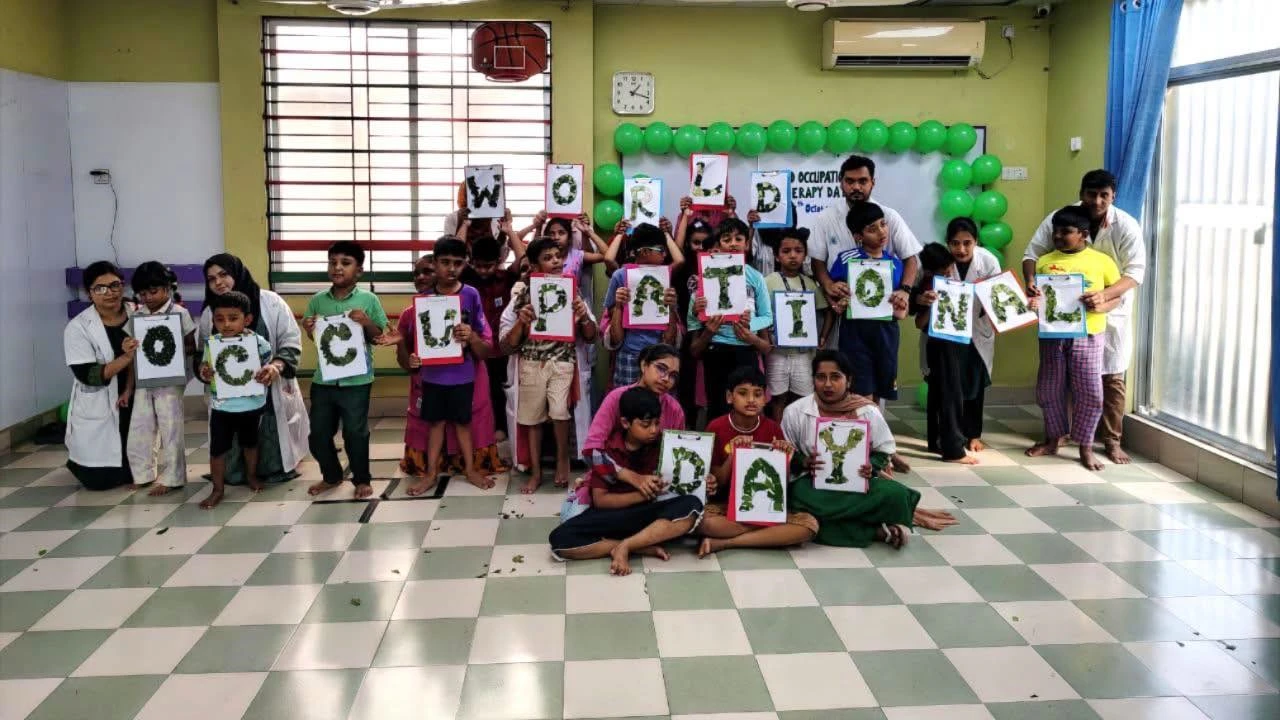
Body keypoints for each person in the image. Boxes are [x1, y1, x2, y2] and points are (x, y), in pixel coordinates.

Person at [1022, 169, 1145, 464]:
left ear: (1113, 196)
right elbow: (1032, 255)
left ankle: (1110, 441)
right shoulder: (1061, 218)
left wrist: (1105, 295)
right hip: (1059, 323)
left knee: (1109, 378)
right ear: (1081, 194)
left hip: (1106, 310)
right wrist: (1031, 283)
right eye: (1091, 194)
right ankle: (1058, 436)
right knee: (1055, 382)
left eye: (1104, 195)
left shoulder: (1126, 226)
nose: (1097, 201)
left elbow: (1135, 272)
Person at [783, 350, 958, 547]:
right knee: (795, 495)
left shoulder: (867, 410)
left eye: (836, 377)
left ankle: (834, 522)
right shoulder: (795, 412)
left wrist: (871, 467)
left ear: (849, 380)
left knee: (896, 495)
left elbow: (884, 449)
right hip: (813, 486)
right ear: (813, 380)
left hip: (859, 484)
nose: (828, 384)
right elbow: (786, 453)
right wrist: (803, 462)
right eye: (821, 377)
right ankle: (874, 530)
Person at [548, 387, 705, 576]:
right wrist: (643, 494)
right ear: (625, 423)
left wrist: (707, 478)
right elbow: (601, 500)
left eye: (656, 423)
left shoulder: (663, 446)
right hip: (614, 516)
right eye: (645, 425)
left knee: (692, 505)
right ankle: (634, 546)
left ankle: (627, 545)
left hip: (650, 514)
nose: (653, 430)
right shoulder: (608, 451)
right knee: (559, 539)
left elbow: (684, 479)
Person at [1026, 206, 1123, 471]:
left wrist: (1101, 304)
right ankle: (1052, 439)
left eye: (1065, 231)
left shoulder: (1102, 262)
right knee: (1049, 389)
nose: (1058, 236)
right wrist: (1033, 302)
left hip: (1088, 335)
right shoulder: (1044, 262)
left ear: (1083, 234)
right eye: (1055, 231)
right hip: (1052, 335)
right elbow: (1039, 298)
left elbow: (1117, 296)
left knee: (1090, 391)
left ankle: (1085, 446)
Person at [199, 253, 309, 486]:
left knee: (266, 438)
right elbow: (203, 352)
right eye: (211, 279)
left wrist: (276, 366)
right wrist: (204, 370)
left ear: (237, 273)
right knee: (227, 442)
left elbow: (290, 341)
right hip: (228, 398)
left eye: (223, 274)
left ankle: (265, 470)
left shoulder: (271, 302)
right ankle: (234, 474)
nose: (218, 282)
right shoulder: (210, 312)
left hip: (268, 390)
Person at [500, 236, 599, 493]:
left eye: (558, 256)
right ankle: (535, 472)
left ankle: (562, 461)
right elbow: (506, 343)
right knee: (532, 418)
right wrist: (522, 321)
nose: (555, 261)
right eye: (548, 258)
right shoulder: (523, 293)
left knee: (559, 412)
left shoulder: (572, 290)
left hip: (563, 361)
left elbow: (591, 336)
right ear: (534, 266)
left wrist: (583, 317)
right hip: (531, 362)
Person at [399, 236, 494, 495]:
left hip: (463, 374)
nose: (451, 269)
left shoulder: (470, 294)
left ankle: (470, 470)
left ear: (465, 264)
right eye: (445, 262)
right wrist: (414, 358)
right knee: (436, 424)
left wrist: (470, 336)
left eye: (458, 263)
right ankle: (430, 474)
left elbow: (481, 335)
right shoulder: (424, 299)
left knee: (463, 423)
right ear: (435, 263)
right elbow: (417, 341)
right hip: (432, 376)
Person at [698, 366, 819, 556]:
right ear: (729, 397)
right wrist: (733, 455)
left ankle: (727, 543)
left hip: (765, 506)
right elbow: (717, 482)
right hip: (726, 505)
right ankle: (765, 532)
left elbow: (780, 486)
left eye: (757, 394)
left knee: (809, 525)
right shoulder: (716, 426)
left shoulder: (773, 429)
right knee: (701, 521)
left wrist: (784, 457)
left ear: (765, 399)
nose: (751, 400)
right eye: (743, 393)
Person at [301, 241, 388, 499]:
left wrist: (366, 321)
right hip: (324, 381)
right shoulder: (317, 300)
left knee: (355, 433)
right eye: (333, 262)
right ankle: (331, 475)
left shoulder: (368, 299)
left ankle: (361, 479)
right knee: (318, 434)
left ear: (359, 271)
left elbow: (379, 336)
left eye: (345, 263)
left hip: (357, 381)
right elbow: (315, 338)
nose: (337, 267)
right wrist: (309, 328)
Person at [913, 221, 1001, 463]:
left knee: (973, 382)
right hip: (943, 335)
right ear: (947, 242)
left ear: (976, 242)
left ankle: (972, 434)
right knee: (944, 388)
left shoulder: (988, 261)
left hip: (976, 331)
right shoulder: (936, 261)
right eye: (955, 243)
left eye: (967, 243)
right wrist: (922, 299)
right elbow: (915, 301)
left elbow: (999, 295)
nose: (961, 249)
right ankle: (940, 440)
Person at [809, 155, 922, 320]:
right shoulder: (825, 218)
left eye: (862, 181)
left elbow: (910, 258)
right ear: (841, 182)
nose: (856, 187)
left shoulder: (889, 216)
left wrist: (905, 291)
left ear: (872, 183)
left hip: (883, 310)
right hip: (842, 308)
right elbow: (817, 261)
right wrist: (828, 285)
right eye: (850, 181)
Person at [689, 217, 774, 420]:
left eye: (738, 239)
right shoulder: (704, 279)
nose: (733, 243)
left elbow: (767, 317)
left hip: (746, 351)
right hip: (715, 351)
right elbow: (694, 349)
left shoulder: (755, 277)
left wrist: (750, 327)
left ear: (747, 243)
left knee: (748, 410)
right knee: (717, 410)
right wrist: (704, 325)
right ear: (719, 244)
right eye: (727, 239)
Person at [197, 291, 274, 508]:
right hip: (222, 406)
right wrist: (205, 372)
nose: (226, 324)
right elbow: (205, 367)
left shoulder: (257, 342)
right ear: (213, 321)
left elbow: (267, 363)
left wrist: (265, 371)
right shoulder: (212, 343)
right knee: (218, 449)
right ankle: (217, 489)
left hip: (251, 404)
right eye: (220, 319)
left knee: (250, 443)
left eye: (233, 318)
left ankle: (251, 476)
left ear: (247, 319)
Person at [64, 261, 136, 490]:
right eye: (100, 288)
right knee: (99, 482)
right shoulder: (79, 327)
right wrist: (125, 358)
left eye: (115, 285)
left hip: (135, 393)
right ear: (90, 293)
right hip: (100, 400)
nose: (110, 293)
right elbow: (89, 375)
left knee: (137, 469)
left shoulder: (138, 313)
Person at [126, 261, 196, 495]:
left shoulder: (180, 313)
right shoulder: (137, 315)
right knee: (140, 426)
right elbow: (132, 356)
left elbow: (191, 346)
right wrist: (128, 388)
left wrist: (175, 346)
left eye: (153, 291)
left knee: (170, 427)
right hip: (144, 381)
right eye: (142, 293)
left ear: (168, 288)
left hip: (170, 380)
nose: (148, 298)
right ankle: (143, 474)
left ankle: (174, 477)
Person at [764, 227, 834, 420]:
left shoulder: (810, 284)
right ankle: (778, 434)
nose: (793, 256)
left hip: (803, 353)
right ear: (777, 256)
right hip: (777, 352)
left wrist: (823, 337)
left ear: (805, 255)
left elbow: (828, 310)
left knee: (803, 398)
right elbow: (760, 314)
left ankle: (799, 433)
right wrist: (765, 338)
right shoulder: (768, 282)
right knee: (777, 398)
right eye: (786, 251)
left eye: (798, 251)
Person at [603, 223, 681, 387]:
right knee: (627, 398)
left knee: (658, 399)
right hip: (629, 353)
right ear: (644, 251)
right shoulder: (620, 276)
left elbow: (670, 336)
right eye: (661, 250)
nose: (665, 254)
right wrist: (618, 305)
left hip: (660, 354)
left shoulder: (664, 276)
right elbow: (613, 328)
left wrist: (672, 307)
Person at [583, 343, 687, 453]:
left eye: (673, 376)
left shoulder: (674, 409)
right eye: (661, 368)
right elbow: (594, 444)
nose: (666, 379)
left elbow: (678, 453)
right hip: (613, 462)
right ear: (644, 365)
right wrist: (616, 465)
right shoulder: (616, 398)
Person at [470, 237, 517, 439]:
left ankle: (500, 426)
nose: (483, 271)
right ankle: (479, 426)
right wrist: (465, 224)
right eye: (478, 266)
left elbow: (523, 259)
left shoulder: (506, 279)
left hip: (500, 348)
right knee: (479, 389)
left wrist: (509, 231)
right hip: (476, 348)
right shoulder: (467, 280)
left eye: (488, 266)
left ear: (498, 261)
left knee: (499, 390)